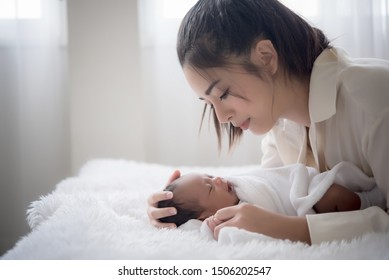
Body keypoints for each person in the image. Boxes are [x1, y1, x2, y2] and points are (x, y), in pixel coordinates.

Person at [147, 0, 389, 244]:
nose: (222, 118)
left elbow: (273, 219)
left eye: (223, 94)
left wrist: (288, 228)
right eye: (210, 103)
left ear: (265, 57)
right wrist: (175, 210)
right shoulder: (280, 127)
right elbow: (263, 195)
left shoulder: (374, 98)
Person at [157, 163, 386, 227]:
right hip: (302, 211)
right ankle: (372, 203)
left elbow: (271, 177)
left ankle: (373, 198)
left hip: (302, 189)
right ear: (205, 216)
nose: (218, 180)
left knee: (335, 196)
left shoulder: (236, 186)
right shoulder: (223, 223)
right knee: (336, 207)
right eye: (209, 188)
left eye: (210, 175)